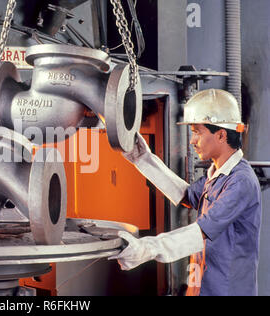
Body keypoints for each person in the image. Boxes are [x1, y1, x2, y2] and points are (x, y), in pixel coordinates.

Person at [109, 89, 262, 296]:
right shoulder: (218, 174)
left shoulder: (241, 181)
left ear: (221, 134)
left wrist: (147, 249)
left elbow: (201, 231)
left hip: (227, 290)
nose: (192, 141)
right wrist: (143, 158)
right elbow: (187, 196)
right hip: (204, 286)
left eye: (197, 132)